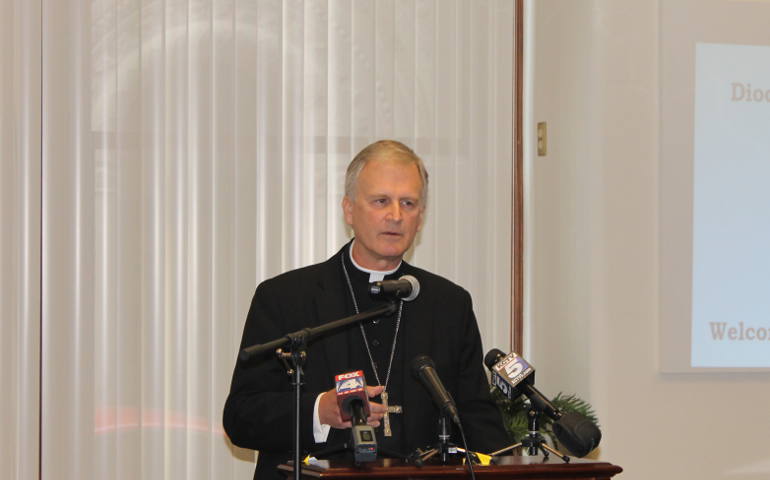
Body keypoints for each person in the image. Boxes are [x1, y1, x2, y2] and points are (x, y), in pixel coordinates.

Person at [223, 140, 509, 479]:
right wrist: (319, 411)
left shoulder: (448, 304)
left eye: (409, 203)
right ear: (349, 210)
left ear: (421, 217)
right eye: (381, 201)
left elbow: (476, 418)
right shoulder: (285, 297)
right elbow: (241, 417)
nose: (396, 215)